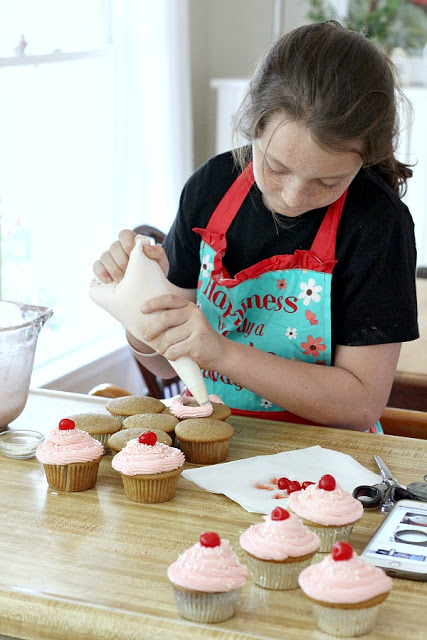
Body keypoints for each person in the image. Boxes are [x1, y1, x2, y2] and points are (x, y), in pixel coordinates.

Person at [93, 21, 418, 432]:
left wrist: (223, 354)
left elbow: (360, 404)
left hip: (327, 462)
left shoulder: (376, 224)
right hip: (209, 441)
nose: (294, 197)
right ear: (253, 126)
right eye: (276, 166)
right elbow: (165, 366)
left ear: (366, 157)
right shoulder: (211, 188)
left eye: (328, 182)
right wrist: (138, 308)